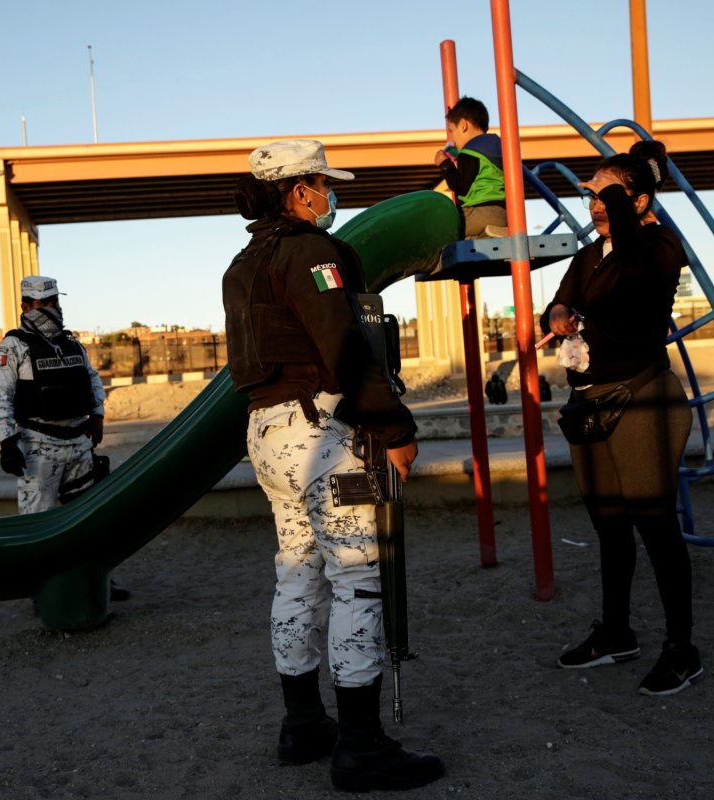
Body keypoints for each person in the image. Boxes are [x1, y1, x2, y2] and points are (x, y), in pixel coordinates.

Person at [222, 139, 444, 792]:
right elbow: (345, 346)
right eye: (322, 183)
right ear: (299, 191)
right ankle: (363, 746)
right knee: (358, 579)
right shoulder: (309, 252)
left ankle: (303, 725)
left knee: (297, 573)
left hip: (266, 433)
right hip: (321, 434)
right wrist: (393, 426)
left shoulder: (243, 262)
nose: (330, 194)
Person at [540, 140, 700, 696]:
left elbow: (635, 271)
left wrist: (622, 209)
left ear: (641, 199)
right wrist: (558, 314)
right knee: (609, 523)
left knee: (656, 525)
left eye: (609, 196)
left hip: (643, 398)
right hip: (591, 401)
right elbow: (559, 300)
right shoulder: (589, 255)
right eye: (591, 196)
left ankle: (682, 648)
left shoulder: (658, 246)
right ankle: (616, 633)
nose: (596, 207)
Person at [0, 276, 126, 601]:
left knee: (88, 521)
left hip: (79, 444)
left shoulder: (71, 343)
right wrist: (7, 442)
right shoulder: (13, 347)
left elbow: (91, 378)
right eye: (42, 304)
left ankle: (97, 582)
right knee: (38, 524)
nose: (50, 309)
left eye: (53, 302)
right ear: (25, 306)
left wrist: (97, 414)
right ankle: (41, 591)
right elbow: (0, 395)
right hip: (39, 448)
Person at [433, 97, 507, 239]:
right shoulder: (497, 145)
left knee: (440, 228)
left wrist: (445, 164)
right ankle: (492, 232)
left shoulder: (470, 150)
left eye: (452, 130)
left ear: (463, 125)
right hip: (502, 213)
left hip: (478, 213)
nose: (452, 139)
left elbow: (460, 185)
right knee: (469, 241)